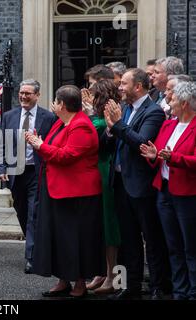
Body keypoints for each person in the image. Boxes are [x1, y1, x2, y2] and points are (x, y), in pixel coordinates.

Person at [26, 85, 104, 299]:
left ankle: (80, 282)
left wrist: (40, 145)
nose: (53, 105)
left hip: (78, 193)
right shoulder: (62, 122)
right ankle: (63, 280)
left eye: (56, 101)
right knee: (59, 238)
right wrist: (38, 143)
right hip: (58, 188)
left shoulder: (82, 126)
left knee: (76, 239)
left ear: (62, 104)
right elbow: (52, 149)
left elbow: (66, 156)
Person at [103, 68, 168, 300]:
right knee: (128, 239)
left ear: (138, 87)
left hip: (141, 185)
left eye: (123, 84)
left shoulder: (154, 112)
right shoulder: (125, 109)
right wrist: (110, 131)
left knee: (151, 239)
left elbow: (142, 144)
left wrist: (118, 125)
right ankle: (131, 287)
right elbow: (110, 143)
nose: (119, 87)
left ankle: (158, 287)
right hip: (120, 182)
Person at [140, 81, 196, 300]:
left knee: (190, 247)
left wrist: (174, 158)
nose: (167, 102)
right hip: (164, 191)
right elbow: (161, 154)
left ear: (184, 103)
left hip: (188, 195)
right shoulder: (168, 125)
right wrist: (155, 157)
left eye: (171, 99)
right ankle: (179, 291)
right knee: (173, 246)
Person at [0, 79, 55, 274]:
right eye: (22, 93)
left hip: (37, 171)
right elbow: (2, 144)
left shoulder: (48, 117)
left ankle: (31, 256)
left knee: (34, 213)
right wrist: (1, 168)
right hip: (16, 173)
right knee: (21, 210)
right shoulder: (9, 116)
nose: (23, 96)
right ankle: (33, 243)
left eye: (28, 94)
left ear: (37, 95)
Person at [84, 80, 122, 294]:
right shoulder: (97, 115)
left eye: (93, 93)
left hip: (105, 170)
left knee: (110, 226)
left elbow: (92, 136)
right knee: (99, 225)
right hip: (95, 169)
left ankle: (112, 277)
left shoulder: (105, 116)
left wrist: (88, 114)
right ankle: (101, 272)